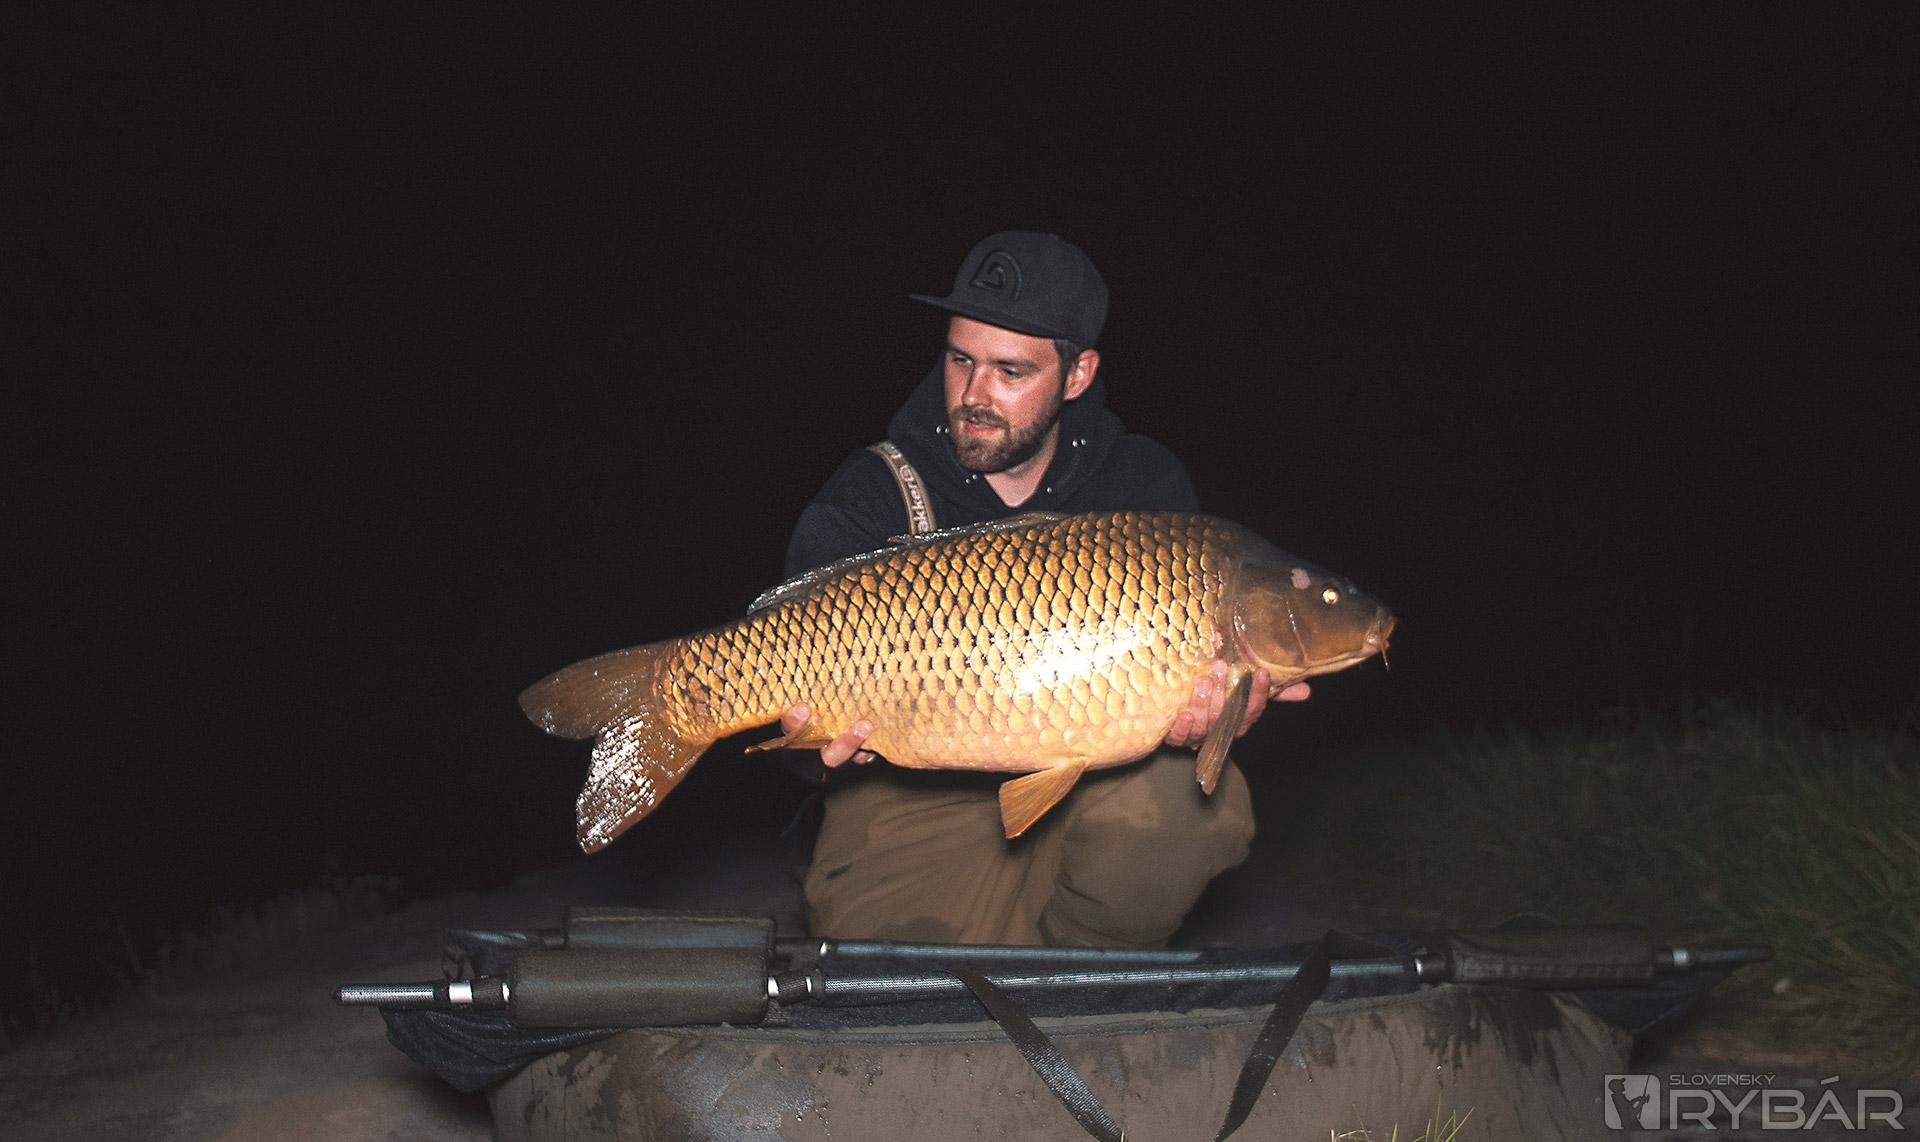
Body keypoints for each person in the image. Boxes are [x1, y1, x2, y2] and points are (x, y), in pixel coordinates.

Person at [778, 231, 1308, 947]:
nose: (974, 395)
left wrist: (1210, 719)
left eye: (1011, 371)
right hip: (909, 802)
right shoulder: (874, 492)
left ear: (1078, 373)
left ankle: (1076, 982)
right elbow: (797, 722)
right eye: (960, 360)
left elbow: (1187, 713)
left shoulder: (1141, 486)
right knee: (904, 993)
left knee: (1189, 805)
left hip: (1100, 788)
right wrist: (812, 745)